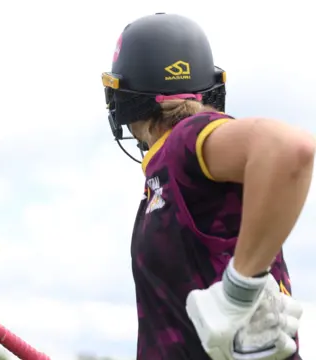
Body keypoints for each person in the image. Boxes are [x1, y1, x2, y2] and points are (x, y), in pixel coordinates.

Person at [101, 13, 314, 360]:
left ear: (124, 96)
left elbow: (289, 149)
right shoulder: (164, 174)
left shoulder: (185, 141)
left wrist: (238, 292)